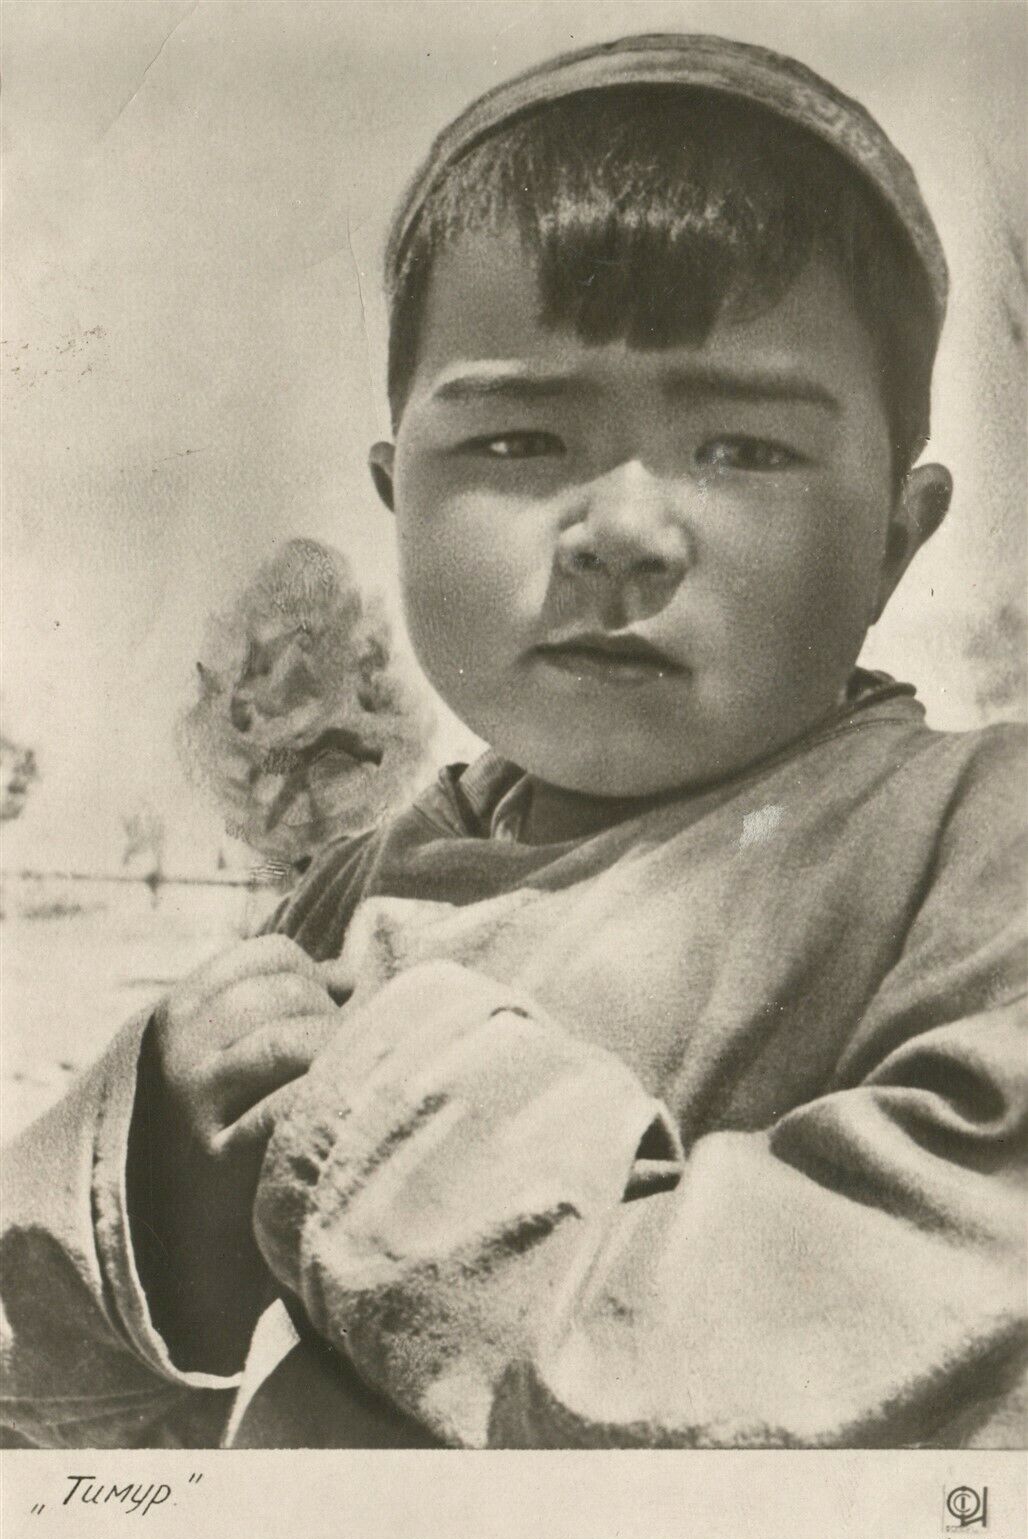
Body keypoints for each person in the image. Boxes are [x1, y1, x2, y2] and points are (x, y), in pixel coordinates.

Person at [2, 33, 1024, 1450]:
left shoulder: (978, 842)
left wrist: (370, 1122)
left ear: (896, 542)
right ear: (396, 493)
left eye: (744, 450)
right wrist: (141, 1207)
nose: (619, 530)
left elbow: (929, 1337)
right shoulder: (351, 890)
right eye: (516, 442)